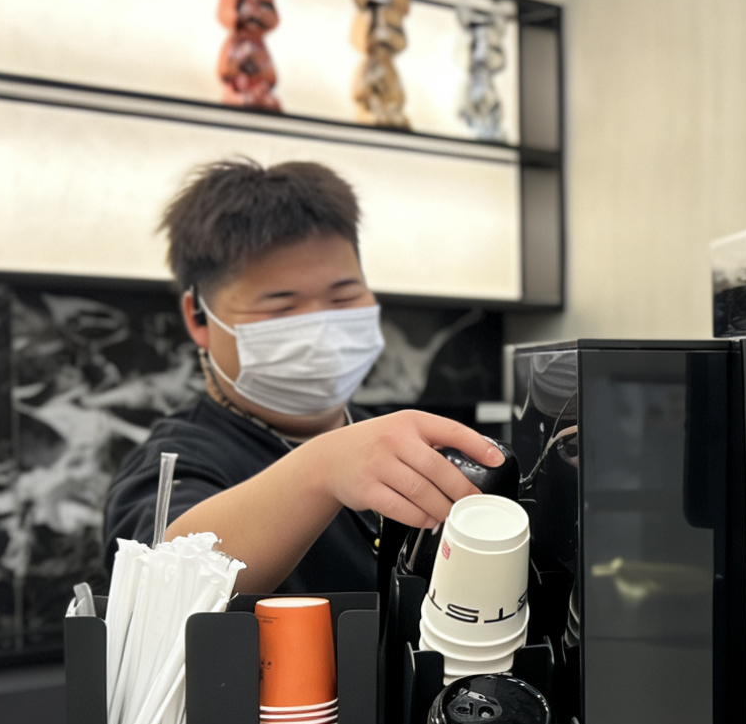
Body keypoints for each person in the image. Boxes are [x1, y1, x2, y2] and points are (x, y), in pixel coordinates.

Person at [102, 158, 502, 593]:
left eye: (343, 297)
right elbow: (165, 582)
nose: (321, 330)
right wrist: (322, 469)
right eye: (281, 306)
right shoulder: (176, 463)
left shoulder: (393, 438)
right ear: (199, 317)